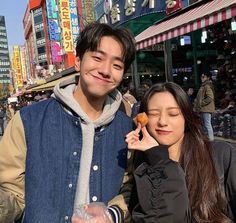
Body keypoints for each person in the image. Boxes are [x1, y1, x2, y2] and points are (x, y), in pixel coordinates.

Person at [0, 22, 136, 223]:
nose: (106, 70)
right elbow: (12, 192)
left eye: (117, 65)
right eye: (97, 58)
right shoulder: (28, 121)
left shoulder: (128, 129)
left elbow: (131, 186)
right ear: (78, 62)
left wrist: (112, 214)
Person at [126, 82, 236, 222]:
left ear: (186, 117)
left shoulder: (222, 155)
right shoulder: (140, 166)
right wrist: (156, 156)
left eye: (173, 114)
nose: (163, 122)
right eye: (154, 114)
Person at [195, 73, 215, 141]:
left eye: (204, 76)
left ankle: (211, 139)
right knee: (205, 124)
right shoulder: (204, 86)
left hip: (206, 109)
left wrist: (201, 103)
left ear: (208, 78)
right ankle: (207, 138)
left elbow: (210, 97)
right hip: (204, 109)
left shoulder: (207, 86)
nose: (202, 78)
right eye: (201, 76)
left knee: (207, 124)